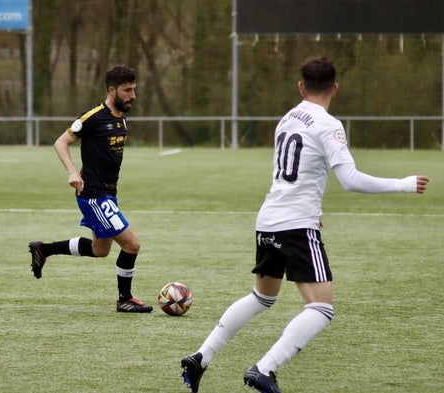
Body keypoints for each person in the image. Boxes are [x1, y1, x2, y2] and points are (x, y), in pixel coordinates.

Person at [180, 56, 430, 393]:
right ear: (335, 88)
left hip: (269, 219)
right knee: (321, 308)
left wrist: (312, 207)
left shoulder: (286, 119)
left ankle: (200, 356)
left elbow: (294, 175)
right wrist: (402, 184)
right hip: (295, 225)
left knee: (261, 297)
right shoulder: (328, 124)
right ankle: (264, 369)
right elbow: (350, 180)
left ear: (301, 86)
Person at [28, 64, 153, 314]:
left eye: (134, 89)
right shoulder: (93, 116)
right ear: (112, 89)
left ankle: (44, 249)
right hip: (94, 195)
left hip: (108, 194)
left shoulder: (121, 117)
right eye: (127, 90)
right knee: (132, 245)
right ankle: (124, 299)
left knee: (100, 250)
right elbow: (61, 142)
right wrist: (73, 172)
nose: (133, 95)